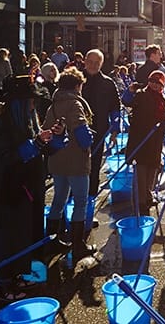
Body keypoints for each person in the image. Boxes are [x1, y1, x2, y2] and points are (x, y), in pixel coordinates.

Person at [0, 75, 58, 300]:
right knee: (9, 237)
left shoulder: (28, 120)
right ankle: (6, 286)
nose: (33, 104)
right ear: (18, 102)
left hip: (29, 188)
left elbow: (37, 150)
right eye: (29, 100)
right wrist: (33, 145)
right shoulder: (3, 124)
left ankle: (28, 277)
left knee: (29, 234)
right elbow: (5, 158)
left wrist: (52, 139)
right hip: (9, 191)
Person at [40, 68, 97, 263]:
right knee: (80, 202)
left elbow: (46, 129)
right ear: (76, 86)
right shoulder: (75, 104)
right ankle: (78, 244)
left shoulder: (53, 105)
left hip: (57, 160)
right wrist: (89, 138)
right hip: (76, 161)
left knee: (59, 199)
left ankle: (52, 240)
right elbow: (81, 131)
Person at [122, 69, 165, 214]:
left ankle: (148, 195)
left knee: (153, 169)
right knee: (141, 170)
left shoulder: (162, 99)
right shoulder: (141, 94)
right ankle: (140, 201)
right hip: (141, 138)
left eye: (158, 83)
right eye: (152, 81)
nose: (155, 85)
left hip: (155, 141)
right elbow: (126, 101)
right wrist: (129, 91)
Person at [81, 49, 122, 213]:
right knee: (76, 170)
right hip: (75, 134)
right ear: (84, 61)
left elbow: (115, 106)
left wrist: (115, 127)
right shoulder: (75, 79)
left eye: (96, 63)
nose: (92, 65)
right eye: (90, 62)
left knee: (94, 168)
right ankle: (73, 207)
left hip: (99, 132)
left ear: (101, 64)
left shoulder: (108, 83)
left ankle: (89, 204)